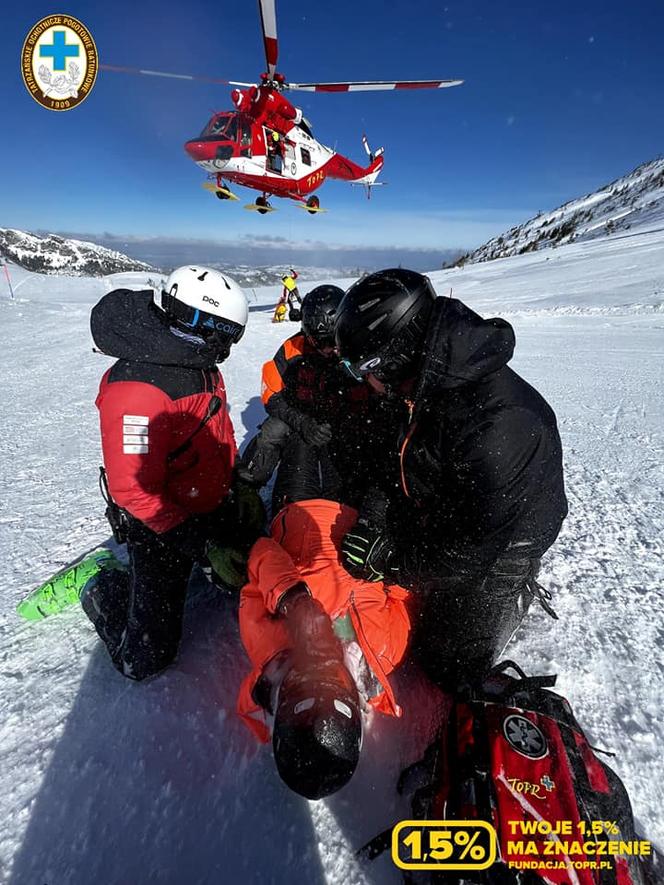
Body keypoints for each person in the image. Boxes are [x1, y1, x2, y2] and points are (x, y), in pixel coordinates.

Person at [334, 268, 568, 691]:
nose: (363, 381)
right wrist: (372, 523)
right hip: (448, 496)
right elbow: (391, 464)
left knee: (445, 664)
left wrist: (391, 563)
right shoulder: (418, 384)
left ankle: (516, 591)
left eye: (362, 368)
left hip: (507, 538)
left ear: (395, 353)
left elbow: (472, 548)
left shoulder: (500, 425)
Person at [79, 266, 261, 681]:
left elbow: (216, 427)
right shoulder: (138, 390)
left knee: (253, 567)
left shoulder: (192, 358)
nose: (228, 349)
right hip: (161, 524)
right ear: (203, 325)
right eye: (227, 336)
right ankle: (101, 583)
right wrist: (202, 546)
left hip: (208, 497)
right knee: (146, 659)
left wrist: (236, 484)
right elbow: (134, 492)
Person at [237, 440, 410, 800]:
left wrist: (292, 599)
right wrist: (382, 556)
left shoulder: (267, 647)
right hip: (355, 512)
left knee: (306, 431)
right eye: (331, 683)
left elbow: (261, 552)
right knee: (336, 429)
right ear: (351, 692)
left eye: (302, 683)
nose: (318, 669)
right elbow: (403, 590)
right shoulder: (385, 651)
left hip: (296, 509)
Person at [238, 285, 372, 510]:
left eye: (333, 340)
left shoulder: (357, 349)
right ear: (308, 333)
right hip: (299, 415)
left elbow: (371, 395)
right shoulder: (292, 349)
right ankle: (246, 485)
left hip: (343, 417)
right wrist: (303, 422)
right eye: (321, 342)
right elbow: (272, 396)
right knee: (273, 430)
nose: (329, 349)